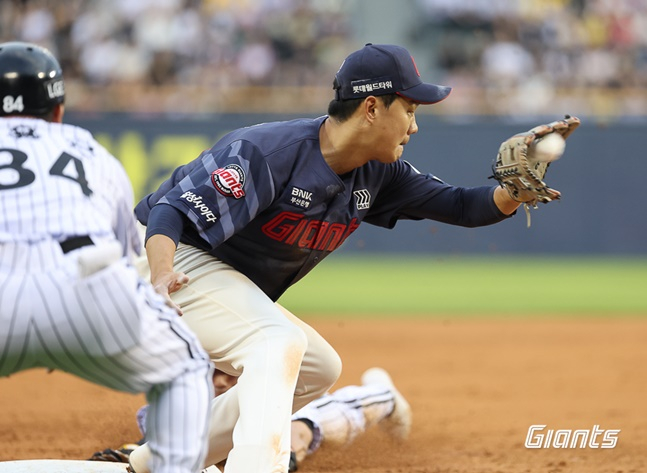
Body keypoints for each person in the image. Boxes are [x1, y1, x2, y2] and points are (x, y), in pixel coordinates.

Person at [129, 42, 553, 473]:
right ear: (372, 108)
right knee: (277, 343)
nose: (414, 126)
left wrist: (512, 192)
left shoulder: (380, 171)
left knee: (317, 368)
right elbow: (171, 210)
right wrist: (162, 277)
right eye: (409, 109)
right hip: (173, 258)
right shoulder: (270, 152)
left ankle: (159, 458)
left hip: (226, 282)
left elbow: (463, 206)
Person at [0, 41, 214, 473]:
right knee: (187, 368)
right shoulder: (90, 151)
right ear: (58, 111)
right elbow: (123, 255)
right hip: (85, 279)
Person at [91, 367, 411, 472]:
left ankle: (382, 393)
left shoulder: (271, 388)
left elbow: (294, 440)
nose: (219, 381)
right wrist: (135, 449)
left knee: (331, 423)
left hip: (299, 413)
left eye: (229, 375)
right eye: (214, 373)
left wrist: (286, 456)